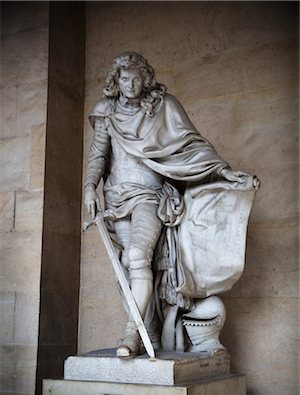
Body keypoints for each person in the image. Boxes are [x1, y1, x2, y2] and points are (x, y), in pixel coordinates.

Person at [84, 52, 250, 357]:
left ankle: (130, 336)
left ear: (145, 78)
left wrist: (222, 170)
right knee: (126, 269)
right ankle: (150, 336)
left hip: (150, 197)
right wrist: (89, 187)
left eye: (136, 77)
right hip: (116, 200)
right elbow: (98, 155)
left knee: (138, 256)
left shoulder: (164, 107)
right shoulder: (105, 112)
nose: (131, 84)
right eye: (124, 78)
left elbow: (192, 144)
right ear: (115, 81)